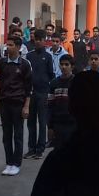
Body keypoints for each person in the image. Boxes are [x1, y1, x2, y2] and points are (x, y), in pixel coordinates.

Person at [0, 37, 32, 176]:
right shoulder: (1, 62)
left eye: (10, 45)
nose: (7, 47)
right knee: (6, 135)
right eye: (7, 44)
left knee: (18, 134)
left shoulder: (25, 64)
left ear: (18, 47)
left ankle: (16, 163)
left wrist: (26, 106)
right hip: (5, 102)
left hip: (18, 103)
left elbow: (28, 87)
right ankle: (9, 162)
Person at [24, 30, 55, 159]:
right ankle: (31, 148)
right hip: (31, 93)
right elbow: (25, 74)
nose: (37, 41)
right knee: (30, 122)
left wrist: (46, 88)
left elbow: (51, 74)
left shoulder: (48, 57)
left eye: (40, 39)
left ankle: (40, 149)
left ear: (44, 41)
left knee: (42, 122)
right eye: (36, 39)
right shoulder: (29, 56)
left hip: (43, 93)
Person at [46, 54, 76, 148]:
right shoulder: (54, 83)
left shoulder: (77, 82)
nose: (64, 67)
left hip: (73, 124)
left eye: (66, 64)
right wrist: (50, 127)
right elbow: (50, 106)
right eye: (62, 64)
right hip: (58, 124)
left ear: (72, 67)